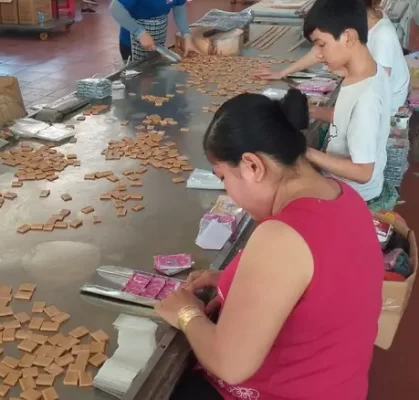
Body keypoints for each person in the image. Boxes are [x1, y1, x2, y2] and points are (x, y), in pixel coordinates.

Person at [156, 89, 383, 400]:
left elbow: (230, 364)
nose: (227, 191)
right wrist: (230, 282)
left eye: (223, 177)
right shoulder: (343, 195)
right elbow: (315, 289)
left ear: (252, 166)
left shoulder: (282, 235)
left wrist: (186, 313)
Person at [303, 0, 391, 205]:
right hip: (348, 186)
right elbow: (348, 119)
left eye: (321, 44)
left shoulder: (366, 98)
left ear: (348, 37)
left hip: (355, 196)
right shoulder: (366, 72)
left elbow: (363, 171)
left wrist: (305, 152)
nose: (318, 54)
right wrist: (313, 111)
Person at [255, 0, 409, 113]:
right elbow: (319, 50)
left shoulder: (383, 36)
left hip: (389, 106)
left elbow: (380, 82)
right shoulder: (357, 21)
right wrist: (283, 72)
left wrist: (345, 71)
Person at [109, 0, 197, 63]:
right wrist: (140, 33)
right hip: (132, 43)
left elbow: (179, 10)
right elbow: (115, 9)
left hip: (158, 41)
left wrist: (186, 35)